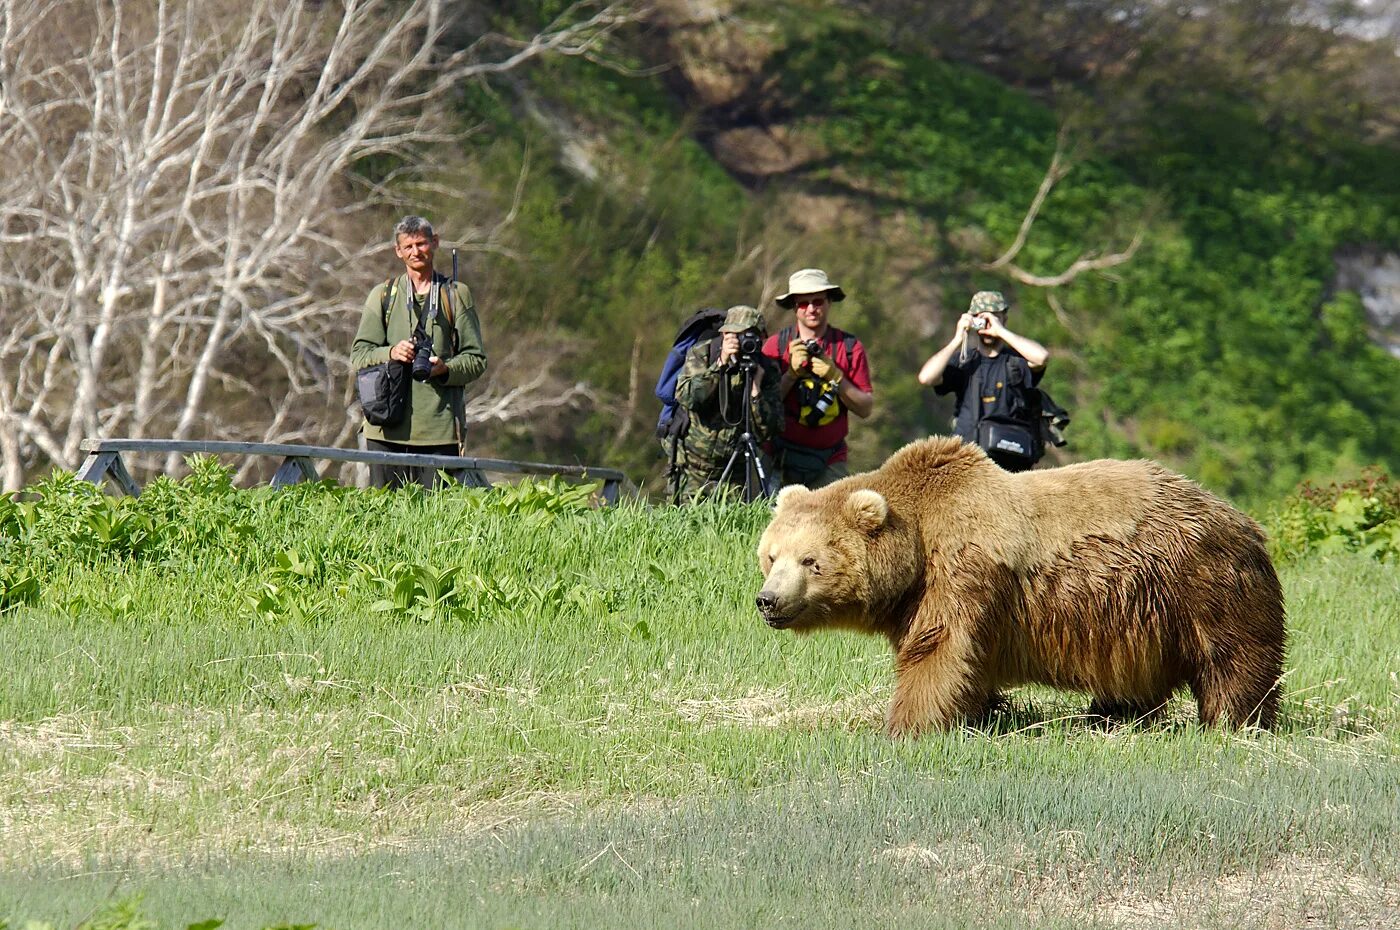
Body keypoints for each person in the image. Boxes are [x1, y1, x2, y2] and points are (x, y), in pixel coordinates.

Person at [351, 215, 487, 489]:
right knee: (382, 515)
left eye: (422, 244)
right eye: (409, 246)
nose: (416, 252)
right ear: (398, 251)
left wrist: (445, 369)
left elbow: (476, 359)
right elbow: (359, 355)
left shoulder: (456, 295)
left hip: (439, 433)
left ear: (434, 243)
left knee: (436, 521)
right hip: (385, 429)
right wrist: (392, 353)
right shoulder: (383, 295)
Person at [761, 268, 874, 489]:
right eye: (803, 303)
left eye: (818, 301)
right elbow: (761, 409)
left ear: (829, 302)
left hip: (830, 459)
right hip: (778, 456)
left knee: (837, 520)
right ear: (794, 306)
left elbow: (865, 409)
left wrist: (836, 377)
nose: (811, 309)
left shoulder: (849, 347)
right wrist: (790, 376)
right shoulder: (775, 346)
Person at [918, 290, 1050, 472]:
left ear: (1004, 319)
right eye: (981, 319)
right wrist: (957, 339)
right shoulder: (964, 361)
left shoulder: (1017, 362)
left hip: (1011, 464)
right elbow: (926, 377)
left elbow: (1041, 358)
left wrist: (1001, 331)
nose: (988, 325)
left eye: (994, 317)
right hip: (968, 463)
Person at [671, 305, 784, 503]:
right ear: (724, 335)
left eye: (749, 336)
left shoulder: (766, 369)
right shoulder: (703, 354)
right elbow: (688, 398)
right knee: (686, 527)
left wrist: (755, 389)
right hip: (694, 468)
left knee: (730, 529)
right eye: (736, 335)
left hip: (735, 473)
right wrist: (720, 365)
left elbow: (770, 430)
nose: (743, 342)